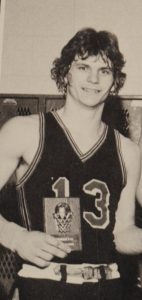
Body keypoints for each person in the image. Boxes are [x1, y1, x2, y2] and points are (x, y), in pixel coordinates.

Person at [0, 27, 141, 300]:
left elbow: (121, 232)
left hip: (108, 286)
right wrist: (15, 237)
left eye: (104, 70)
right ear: (65, 73)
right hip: (43, 284)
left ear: (114, 82)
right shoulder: (25, 132)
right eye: (83, 66)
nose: (93, 78)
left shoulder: (128, 151)